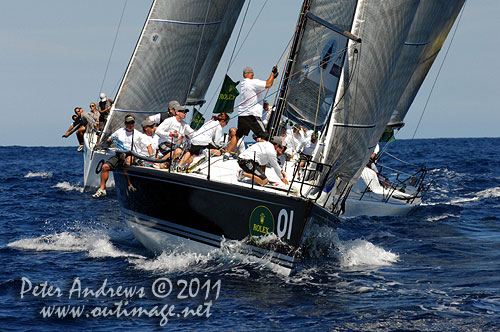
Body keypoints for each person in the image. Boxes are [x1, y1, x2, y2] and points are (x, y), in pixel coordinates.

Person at [224, 66, 278, 159]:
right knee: (266, 137)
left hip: (242, 115)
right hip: (251, 116)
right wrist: (272, 73)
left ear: (243, 75)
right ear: (252, 74)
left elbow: (266, 84)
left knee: (238, 135)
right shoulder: (253, 82)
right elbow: (268, 84)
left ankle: (227, 153)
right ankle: (268, 157)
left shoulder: (244, 84)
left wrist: (273, 77)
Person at [92, 114, 142, 198]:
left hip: (131, 155)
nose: (130, 125)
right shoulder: (120, 131)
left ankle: (129, 184)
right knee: (105, 167)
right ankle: (102, 189)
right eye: (128, 123)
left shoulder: (138, 134)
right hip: (119, 155)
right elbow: (109, 139)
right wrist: (109, 140)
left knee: (128, 161)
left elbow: (147, 146)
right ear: (125, 123)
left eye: (132, 123)